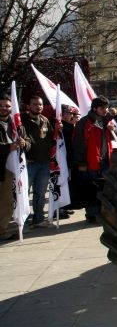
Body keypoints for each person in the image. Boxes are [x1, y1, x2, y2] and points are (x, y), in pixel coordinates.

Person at [73, 96, 116, 223]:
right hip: (90, 162)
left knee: (104, 189)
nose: (105, 110)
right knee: (91, 190)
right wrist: (81, 163)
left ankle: (101, 213)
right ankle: (92, 214)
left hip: (105, 161)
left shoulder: (107, 122)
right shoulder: (85, 123)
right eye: (103, 108)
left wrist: (113, 131)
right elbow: (79, 144)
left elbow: (112, 139)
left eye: (107, 108)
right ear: (95, 108)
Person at [21, 95, 56, 228]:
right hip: (28, 163)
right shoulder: (21, 120)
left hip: (44, 163)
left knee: (40, 194)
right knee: (24, 194)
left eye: (40, 104)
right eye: (35, 104)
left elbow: (53, 138)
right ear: (28, 106)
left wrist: (59, 129)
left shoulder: (45, 120)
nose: (38, 106)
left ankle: (39, 219)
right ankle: (23, 222)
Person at [0, 94, 28, 240]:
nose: (4, 108)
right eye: (2, 106)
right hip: (2, 168)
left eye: (7, 106)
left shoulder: (16, 124)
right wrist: (7, 148)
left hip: (12, 170)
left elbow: (27, 141)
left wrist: (24, 144)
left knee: (8, 202)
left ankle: (4, 229)